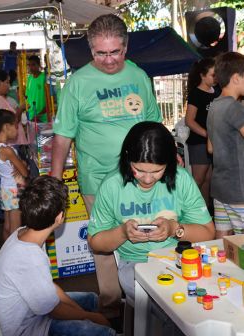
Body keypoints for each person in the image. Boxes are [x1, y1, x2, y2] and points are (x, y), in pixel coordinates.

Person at [52, 13, 162, 318]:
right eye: (101, 53)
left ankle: (150, 303)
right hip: (98, 179)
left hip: (140, 179)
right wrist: (54, 180)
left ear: (125, 48)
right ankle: (112, 310)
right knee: (103, 245)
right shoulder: (78, 83)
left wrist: (167, 157)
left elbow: (153, 124)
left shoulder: (138, 76)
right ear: (91, 50)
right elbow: (62, 137)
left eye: (115, 52)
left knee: (145, 237)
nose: (109, 60)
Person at [88, 121, 215, 301]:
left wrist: (174, 229)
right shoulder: (112, 186)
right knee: (164, 300)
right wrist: (123, 233)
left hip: (178, 257)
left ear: (170, 163)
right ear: (127, 158)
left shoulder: (182, 180)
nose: (147, 179)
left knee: (202, 293)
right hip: (135, 263)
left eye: (157, 171)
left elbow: (208, 233)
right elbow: (95, 242)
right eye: (138, 170)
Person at [0, 175, 116, 336]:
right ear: (59, 217)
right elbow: (54, 310)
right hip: (27, 330)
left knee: (91, 300)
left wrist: (85, 315)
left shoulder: (25, 234)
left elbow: (48, 287)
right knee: (104, 332)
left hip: (33, 313)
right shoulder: (31, 258)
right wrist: (88, 317)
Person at [207, 52, 244, 238]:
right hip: (239, 190)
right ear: (236, 78)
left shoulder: (214, 106)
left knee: (223, 243)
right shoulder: (235, 107)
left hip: (220, 187)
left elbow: (210, 148)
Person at [0, 109, 28, 240]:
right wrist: (22, 163)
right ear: (6, 126)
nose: (17, 129)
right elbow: (25, 172)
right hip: (14, 189)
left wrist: (18, 163)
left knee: (7, 227)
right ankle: (14, 258)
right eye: (15, 125)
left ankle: (6, 255)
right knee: (16, 231)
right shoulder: (7, 150)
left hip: (4, 189)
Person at [185, 58, 219, 209]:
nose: (216, 78)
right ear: (202, 75)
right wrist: (207, 135)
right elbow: (189, 121)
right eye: (213, 75)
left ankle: (205, 211)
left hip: (212, 142)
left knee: (208, 179)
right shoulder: (196, 94)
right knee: (198, 179)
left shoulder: (216, 92)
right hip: (199, 142)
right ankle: (187, 208)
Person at [0, 66, 27, 145]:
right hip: (12, 145)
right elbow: (11, 122)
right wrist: (20, 109)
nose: (9, 86)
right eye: (7, 82)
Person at [25, 55, 47, 122]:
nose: (30, 67)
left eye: (33, 65)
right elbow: (27, 97)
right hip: (31, 116)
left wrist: (39, 115)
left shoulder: (44, 78)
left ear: (39, 65)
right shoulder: (29, 78)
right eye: (29, 65)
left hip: (42, 118)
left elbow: (49, 99)